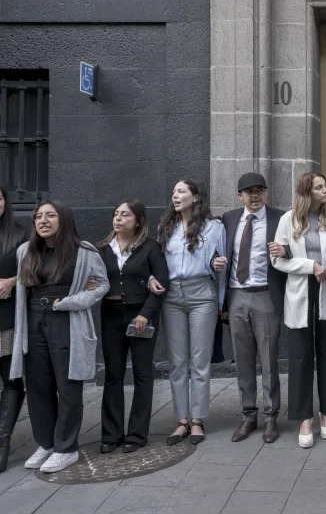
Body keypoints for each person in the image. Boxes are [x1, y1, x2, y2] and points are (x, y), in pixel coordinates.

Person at [10, 201, 108, 473]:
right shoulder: (25, 251)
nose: (42, 220)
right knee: (38, 387)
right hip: (33, 322)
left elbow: (102, 284)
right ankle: (47, 443)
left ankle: (66, 448)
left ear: (63, 219)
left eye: (50, 215)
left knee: (68, 387)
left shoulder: (84, 251)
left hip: (66, 321)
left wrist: (71, 301)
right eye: (38, 216)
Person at [271, 172, 326, 448]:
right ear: (306, 192)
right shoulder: (287, 220)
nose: (325, 191)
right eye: (319, 187)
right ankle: (304, 417)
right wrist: (308, 266)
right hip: (300, 292)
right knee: (300, 357)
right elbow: (277, 260)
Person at [157, 178, 226, 446]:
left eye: (181, 191)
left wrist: (221, 302)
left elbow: (220, 264)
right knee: (177, 362)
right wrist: (153, 276)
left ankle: (197, 419)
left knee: (199, 360)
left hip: (202, 294)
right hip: (172, 295)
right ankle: (181, 421)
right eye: (173, 191)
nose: (175, 195)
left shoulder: (214, 227)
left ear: (195, 197)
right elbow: (158, 261)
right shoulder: (166, 227)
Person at [97, 199, 170, 454]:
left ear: (138, 220)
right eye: (116, 214)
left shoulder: (151, 248)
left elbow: (162, 285)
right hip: (110, 314)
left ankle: (137, 435)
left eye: (125, 215)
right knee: (113, 375)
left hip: (140, 315)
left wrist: (144, 315)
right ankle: (111, 434)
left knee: (142, 374)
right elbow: (95, 280)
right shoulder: (104, 249)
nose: (118, 218)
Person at [219, 173, 286, 444]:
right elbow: (217, 250)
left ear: (266, 193)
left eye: (259, 191)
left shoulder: (280, 218)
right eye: (248, 192)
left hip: (266, 296)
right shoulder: (228, 219)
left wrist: (286, 251)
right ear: (240, 196)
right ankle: (248, 416)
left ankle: (271, 418)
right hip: (236, 296)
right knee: (243, 360)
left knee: (269, 360)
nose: (254, 196)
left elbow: (295, 247)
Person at [0, 186, 26, 473]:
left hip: (7, 321)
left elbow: (39, 267)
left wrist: (13, 280)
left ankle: (2, 442)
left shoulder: (20, 234)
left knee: (11, 381)